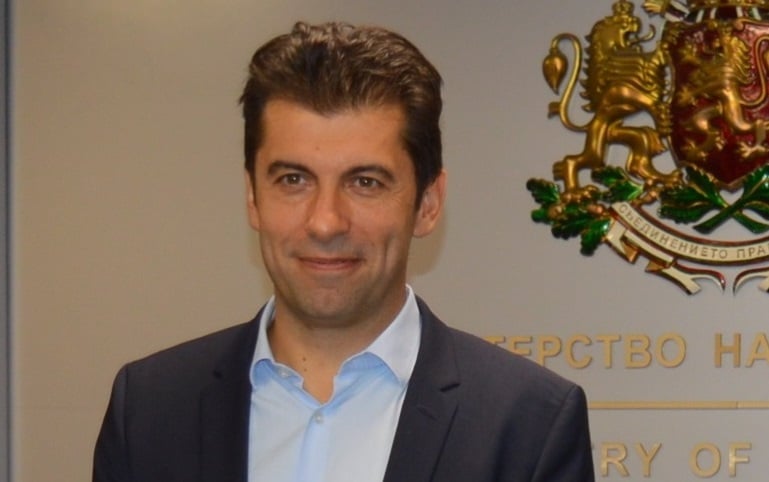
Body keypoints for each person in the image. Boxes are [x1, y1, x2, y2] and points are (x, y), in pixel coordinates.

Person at [93, 21, 595, 482]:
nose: (325, 221)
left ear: (427, 203)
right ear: (252, 196)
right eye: (293, 180)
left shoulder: (529, 424)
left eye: (365, 182)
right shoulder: (150, 411)